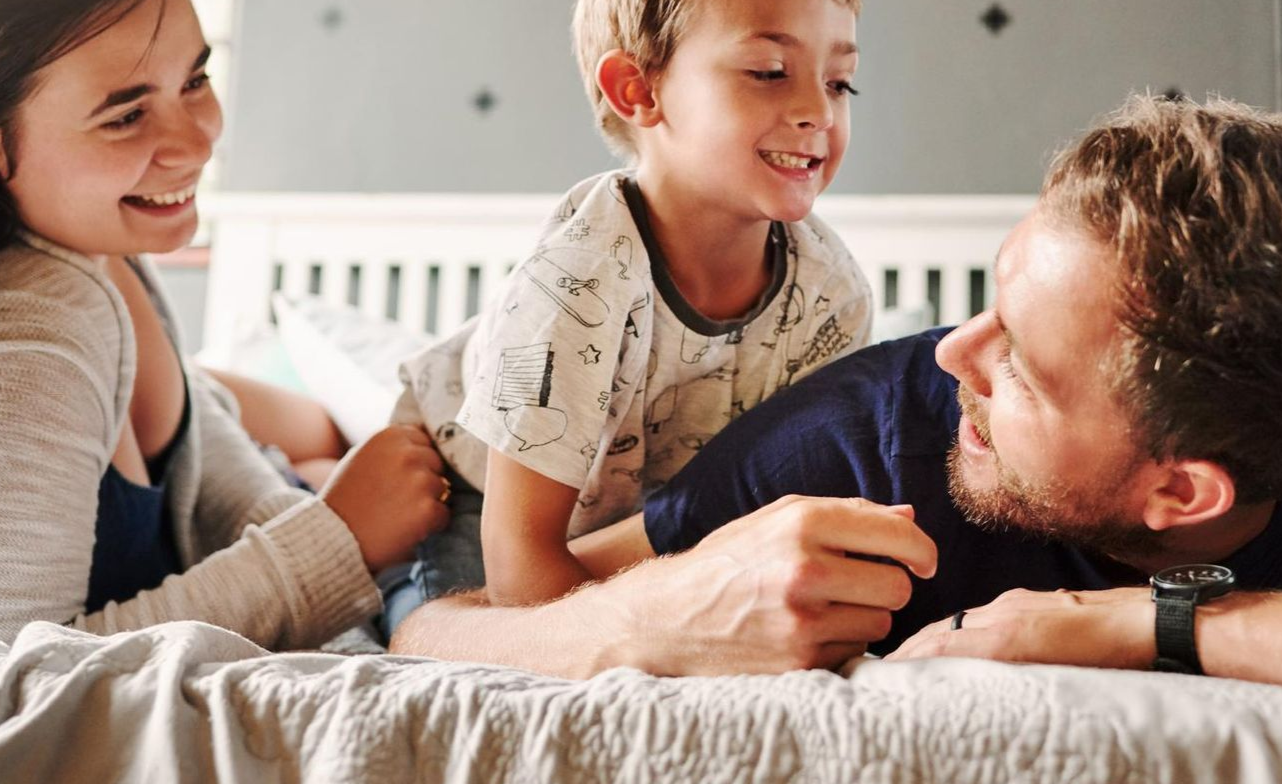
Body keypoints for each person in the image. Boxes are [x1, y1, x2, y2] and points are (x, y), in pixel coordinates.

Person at [390, 96, 1282, 685]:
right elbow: (435, 633)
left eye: (1022, 366)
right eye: (990, 304)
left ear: (1184, 491)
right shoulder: (858, 443)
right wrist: (652, 619)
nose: (952, 355)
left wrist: (1133, 622)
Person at [385, 0, 873, 625]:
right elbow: (519, 568)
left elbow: (779, 505)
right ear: (639, 92)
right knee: (470, 644)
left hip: (637, 527)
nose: (819, 111)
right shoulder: (580, 283)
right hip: (476, 508)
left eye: (839, 82)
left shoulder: (831, 297)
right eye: (770, 70)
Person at [0, 0, 450, 650]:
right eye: (127, 114)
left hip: (268, 472)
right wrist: (340, 541)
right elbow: (21, 678)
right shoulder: (34, 338)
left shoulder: (102, 253)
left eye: (196, 81)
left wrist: (326, 531)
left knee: (323, 435)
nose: (199, 138)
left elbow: (212, 467)